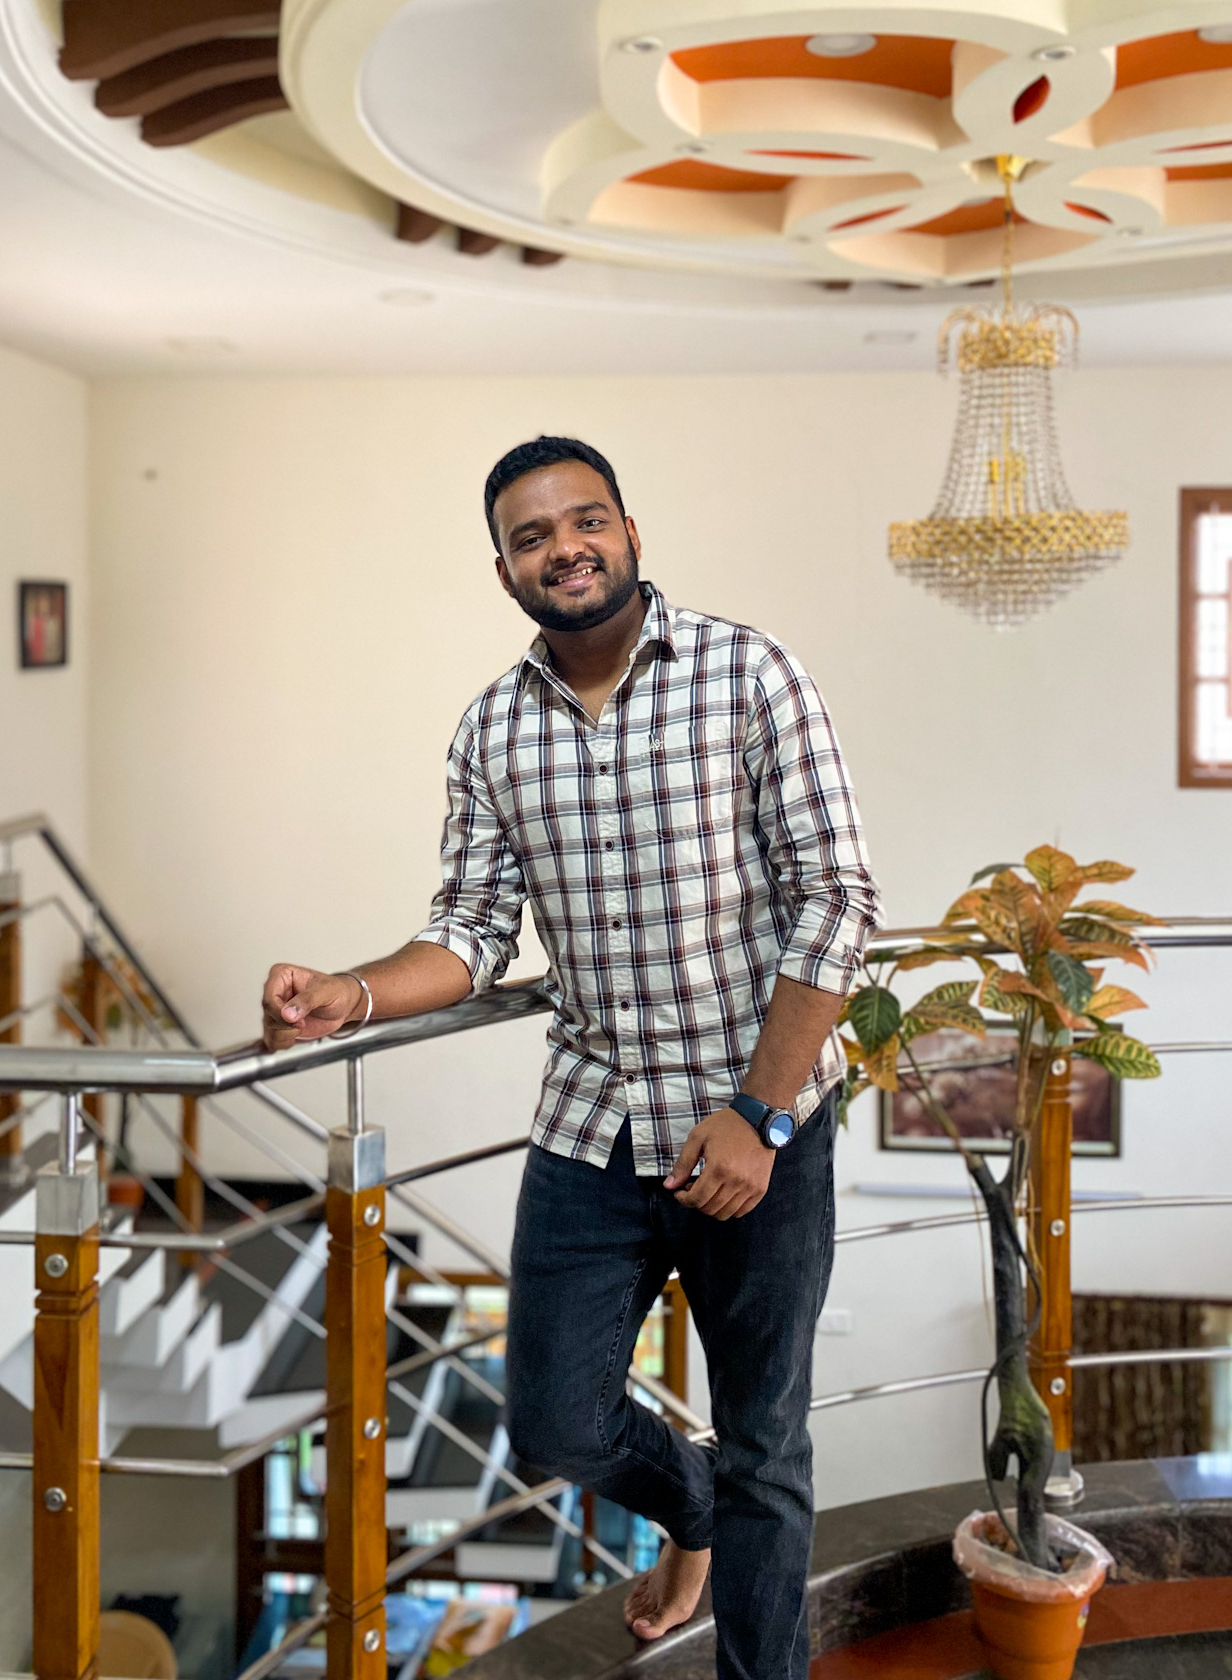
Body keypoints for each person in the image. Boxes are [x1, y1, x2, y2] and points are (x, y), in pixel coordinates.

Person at [261, 435, 880, 1680]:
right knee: (552, 1420)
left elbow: (835, 897)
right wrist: (352, 991)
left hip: (756, 1125)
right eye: (532, 536)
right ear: (504, 570)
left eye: (586, 520)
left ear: (630, 532)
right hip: (592, 1122)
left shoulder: (749, 673)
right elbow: (470, 929)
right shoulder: (491, 728)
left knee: (767, 1445)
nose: (566, 548)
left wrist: (759, 1112)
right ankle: (692, 1506)